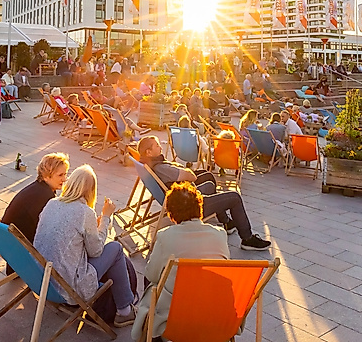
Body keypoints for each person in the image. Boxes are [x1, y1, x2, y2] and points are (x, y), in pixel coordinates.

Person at [34, 165, 139, 328]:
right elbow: (96, 250)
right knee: (116, 249)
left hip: (43, 279)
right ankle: (125, 311)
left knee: (108, 253)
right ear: (91, 191)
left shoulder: (52, 203)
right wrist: (105, 218)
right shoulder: (84, 212)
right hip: (69, 287)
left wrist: (94, 229)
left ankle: (123, 303)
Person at [132, 182, 230, 341]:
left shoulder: (165, 236)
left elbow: (151, 275)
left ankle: (150, 326)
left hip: (177, 317)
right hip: (214, 315)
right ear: (199, 208)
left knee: (154, 281)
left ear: (172, 214)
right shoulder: (220, 234)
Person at [136, 136, 271, 250]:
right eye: (157, 146)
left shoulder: (151, 164)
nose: (160, 147)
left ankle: (226, 222)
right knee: (234, 197)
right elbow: (190, 176)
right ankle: (247, 238)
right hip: (190, 206)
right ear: (148, 152)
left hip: (183, 196)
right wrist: (183, 170)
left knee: (208, 177)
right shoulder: (162, 168)